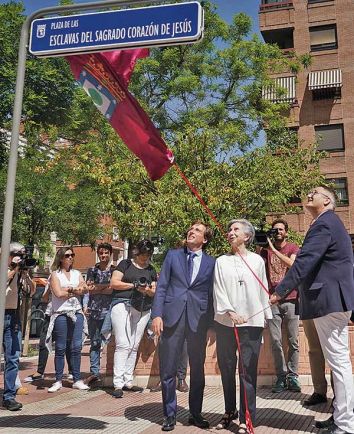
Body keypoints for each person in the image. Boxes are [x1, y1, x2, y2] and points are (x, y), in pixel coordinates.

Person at [270, 185, 354, 434]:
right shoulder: (327, 223)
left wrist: (279, 291)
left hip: (329, 300)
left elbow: (304, 261)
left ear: (328, 201)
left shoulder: (324, 223)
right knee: (337, 362)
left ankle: (346, 424)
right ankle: (340, 415)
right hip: (330, 300)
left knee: (339, 363)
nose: (308, 194)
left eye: (314, 192)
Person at [151, 221, 215, 432]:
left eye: (197, 230)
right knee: (168, 369)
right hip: (172, 318)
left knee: (197, 369)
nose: (191, 231)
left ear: (204, 239)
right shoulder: (173, 255)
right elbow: (162, 286)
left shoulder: (211, 262)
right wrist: (157, 314)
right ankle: (169, 415)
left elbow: (213, 294)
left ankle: (195, 413)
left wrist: (213, 323)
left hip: (198, 320)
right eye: (191, 228)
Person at [214, 219, 271, 433]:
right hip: (226, 323)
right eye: (229, 229)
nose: (230, 232)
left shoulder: (257, 260)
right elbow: (218, 290)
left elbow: (263, 288)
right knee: (227, 368)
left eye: (235, 229)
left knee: (247, 371)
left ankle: (248, 417)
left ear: (247, 236)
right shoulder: (221, 261)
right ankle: (230, 412)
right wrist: (230, 312)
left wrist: (264, 317)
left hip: (252, 323)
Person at [110, 239, 157, 398]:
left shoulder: (151, 269)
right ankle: (117, 383)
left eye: (148, 255)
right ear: (137, 252)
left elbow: (154, 291)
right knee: (123, 344)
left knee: (135, 344)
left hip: (143, 307)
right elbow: (114, 283)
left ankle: (128, 380)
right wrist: (133, 286)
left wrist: (147, 290)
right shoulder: (125, 264)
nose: (145, 257)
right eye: (143, 254)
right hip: (123, 304)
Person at [260, 218, 301, 393]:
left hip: (291, 298)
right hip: (272, 301)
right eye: (274, 230)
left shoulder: (292, 247)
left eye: (280, 230)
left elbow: (291, 263)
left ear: (286, 232)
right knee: (275, 340)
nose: (278, 232)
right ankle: (281, 377)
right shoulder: (265, 251)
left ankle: (293, 376)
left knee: (293, 340)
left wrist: (274, 250)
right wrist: (262, 244)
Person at [46, 247, 90, 393]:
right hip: (61, 313)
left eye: (72, 255)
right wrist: (73, 290)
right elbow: (58, 293)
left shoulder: (77, 273)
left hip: (76, 312)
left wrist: (73, 290)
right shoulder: (55, 274)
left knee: (76, 347)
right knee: (60, 347)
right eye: (67, 255)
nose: (70, 257)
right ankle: (58, 380)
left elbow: (84, 289)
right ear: (61, 258)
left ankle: (77, 379)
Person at [2, 243, 35, 411]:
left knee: (13, 357)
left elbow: (31, 291)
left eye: (21, 254)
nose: (18, 257)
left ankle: (9, 396)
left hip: (13, 315)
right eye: (15, 254)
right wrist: (14, 269)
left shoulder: (19, 272)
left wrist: (25, 275)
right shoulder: (4, 268)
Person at [24, 277, 73, 383]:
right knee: (43, 343)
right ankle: (39, 372)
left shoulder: (70, 278)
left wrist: (61, 291)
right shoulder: (52, 278)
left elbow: (71, 294)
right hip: (50, 314)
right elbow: (44, 299)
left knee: (67, 343)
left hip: (65, 313)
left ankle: (72, 371)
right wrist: (50, 289)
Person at [83, 243, 114, 386]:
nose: (103, 256)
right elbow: (89, 289)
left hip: (109, 311)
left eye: (106, 253)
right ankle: (94, 373)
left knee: (109, 342)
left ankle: (110, 372)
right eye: (101, 253)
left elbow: (112, 289)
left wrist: (98, 288)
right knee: (94, 342)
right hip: (94, 310)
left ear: (110, 254)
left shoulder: (115, 271)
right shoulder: (92, 270)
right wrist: (103, 287)